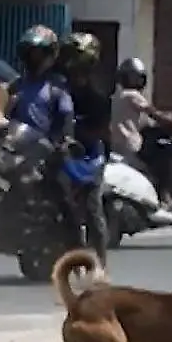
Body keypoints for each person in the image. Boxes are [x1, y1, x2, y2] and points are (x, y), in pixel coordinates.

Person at [5, 25, 83, 247]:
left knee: (63, 195)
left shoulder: (57, 87)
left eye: (39, 53)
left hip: (46, 151)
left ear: (50, 56)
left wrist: (65, 141)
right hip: (15, 146)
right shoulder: (16, 85)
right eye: (30, 53)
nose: (34, 59)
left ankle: (77, 248)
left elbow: (67, 117)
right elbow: (2, 114)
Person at [108, 57, 172, 204]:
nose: (136, 82)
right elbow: (155, 114)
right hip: (132, 147)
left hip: (115, 148)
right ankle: (165, 196)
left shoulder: (115, 97)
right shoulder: (132, 95)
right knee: (166, 154)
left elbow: (145, 122)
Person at [58, 32, 111, 256]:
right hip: (59, 154)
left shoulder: (97, 97)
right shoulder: (57, 89)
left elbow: (97, 132)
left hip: (87, 159)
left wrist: (77, 136)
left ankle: (100, 262)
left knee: (91, 209)